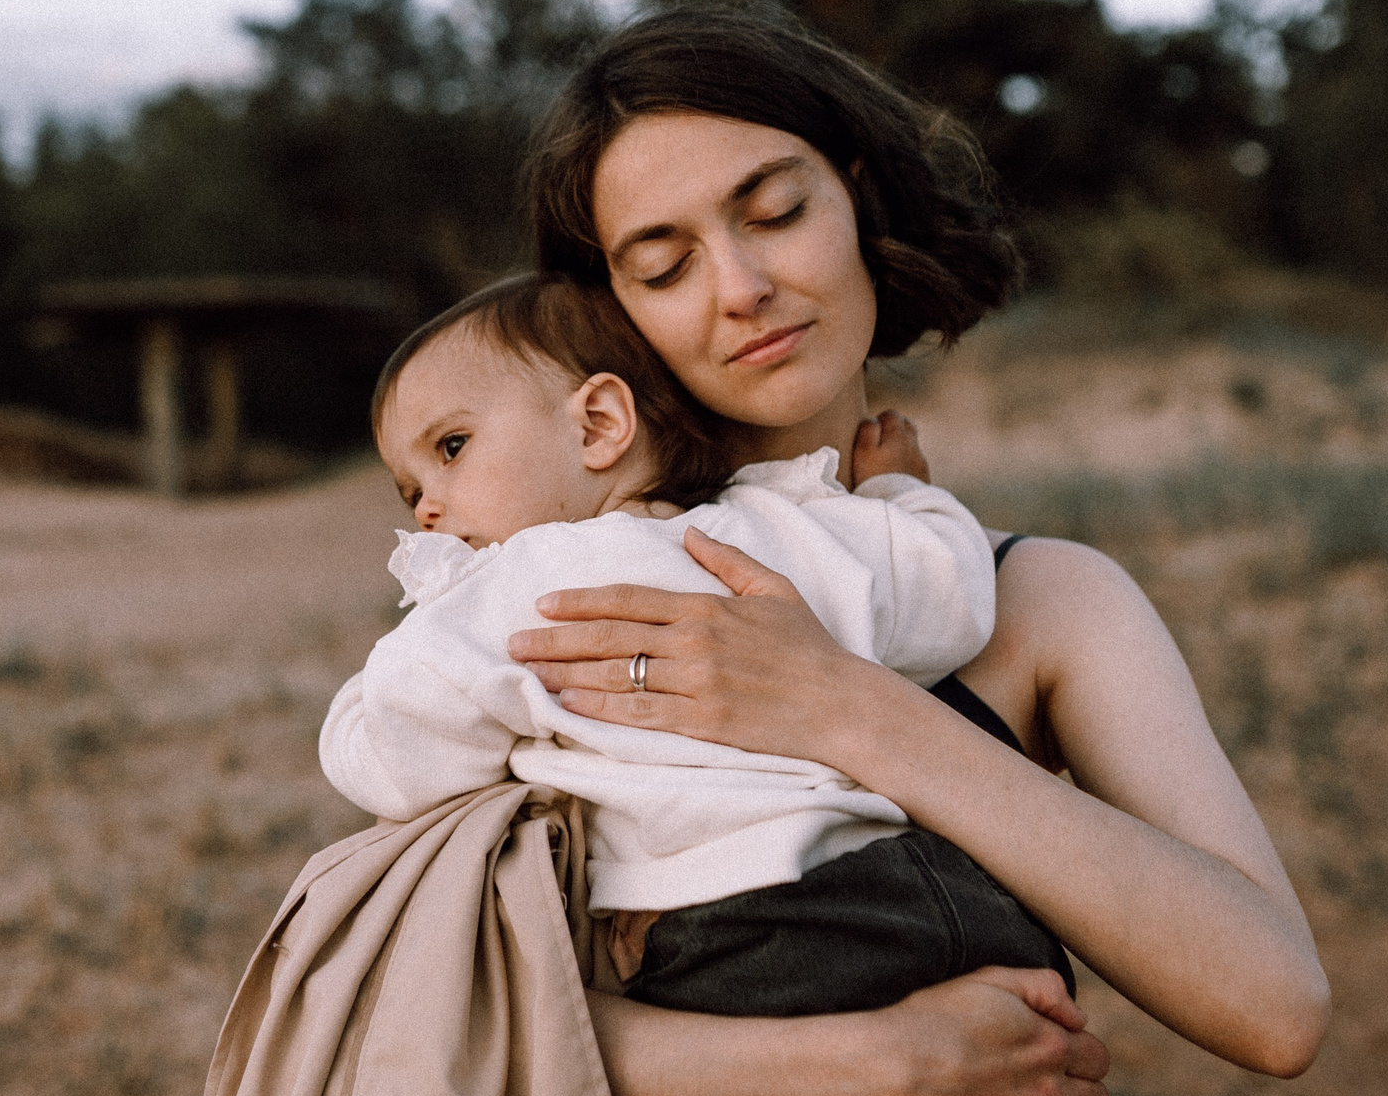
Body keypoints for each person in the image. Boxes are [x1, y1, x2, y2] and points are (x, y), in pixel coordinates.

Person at [503, 4, 1328, 1096]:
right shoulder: (558, 594)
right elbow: (423, 1024)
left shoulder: (1044, 605)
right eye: (664, 263)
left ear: (855, 201)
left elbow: (1274, 1004)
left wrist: (846, 706)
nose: (739, 286)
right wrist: (870, 1075)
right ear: (606, 311)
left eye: (775, 211)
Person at [326, 272, 1069, 1016]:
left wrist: (371, 681)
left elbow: (393, 757)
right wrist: (899, 494)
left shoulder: (511, 588)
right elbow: (951, 594)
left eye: (450, 447)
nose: (427, 506)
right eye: (408, 488)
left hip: (738, 924)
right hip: (933, 887)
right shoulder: (773, 522)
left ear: (599, 425)